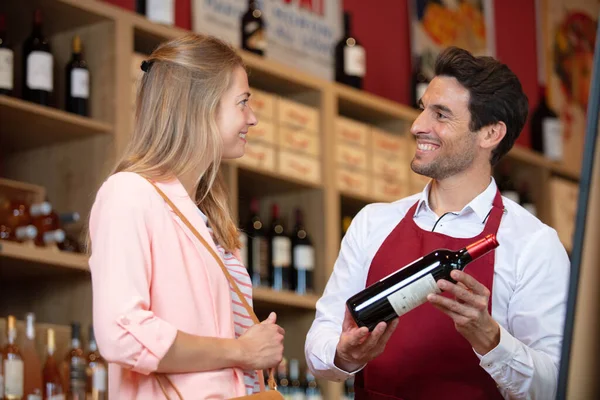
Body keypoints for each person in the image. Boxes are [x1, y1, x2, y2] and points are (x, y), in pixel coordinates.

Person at [305, 46, 570, 399]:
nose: (417, 126)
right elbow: (320, 340)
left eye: (441, 115)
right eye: (422, 109)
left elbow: (558, 385)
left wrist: (491, 339)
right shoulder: (372, 223)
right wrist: (343, 353)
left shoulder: (533, 243)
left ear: (490, 134)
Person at [87, 34, 284, 399]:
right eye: (242, 103)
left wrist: (253, 349)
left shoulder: (208, 213)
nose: (252, 119)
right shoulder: (129, 193)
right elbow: (121, 333)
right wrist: (241, 351)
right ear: (200, 106)